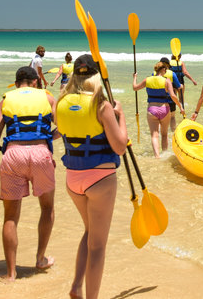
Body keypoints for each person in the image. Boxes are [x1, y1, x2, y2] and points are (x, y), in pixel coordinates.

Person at [54, 55, 128, 299]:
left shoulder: (61, 103)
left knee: (89, 233)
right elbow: (119, 147)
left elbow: (60, 132)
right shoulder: (101, 105)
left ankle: (76, 285)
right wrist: (121, 116)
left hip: (73, 179)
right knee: (98, 245)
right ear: (96, 76)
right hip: (100, 179)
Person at [0, 66, 57, 281]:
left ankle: (11, 273)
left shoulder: (5, 102)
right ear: (35, 82)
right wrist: (47, 138)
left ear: (16, 84)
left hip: (13, 155)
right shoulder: (48, 98)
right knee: (47, 207)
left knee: (11, 217)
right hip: (41, 154)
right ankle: (40, 259)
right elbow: (65, 128)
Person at [133, 61, 184, 157]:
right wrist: (180, 106)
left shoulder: (147, 79)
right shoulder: (167, 80)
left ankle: (157, 156)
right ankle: (164, 154)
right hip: (164, 109)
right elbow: (173, 96)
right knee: (164, 135)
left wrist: (134, 78)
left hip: (152, 110)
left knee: (154, 135)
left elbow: (135, 88)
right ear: (164, 69)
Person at [157, 57, 184, 132]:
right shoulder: (172, 73)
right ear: (168, 65)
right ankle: (173, 132)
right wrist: (181, 85)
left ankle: (158, 133)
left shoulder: (155, 73)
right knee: (172, 117)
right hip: (171, 100)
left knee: (160, 119)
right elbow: (178, 86)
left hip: (159, 99)